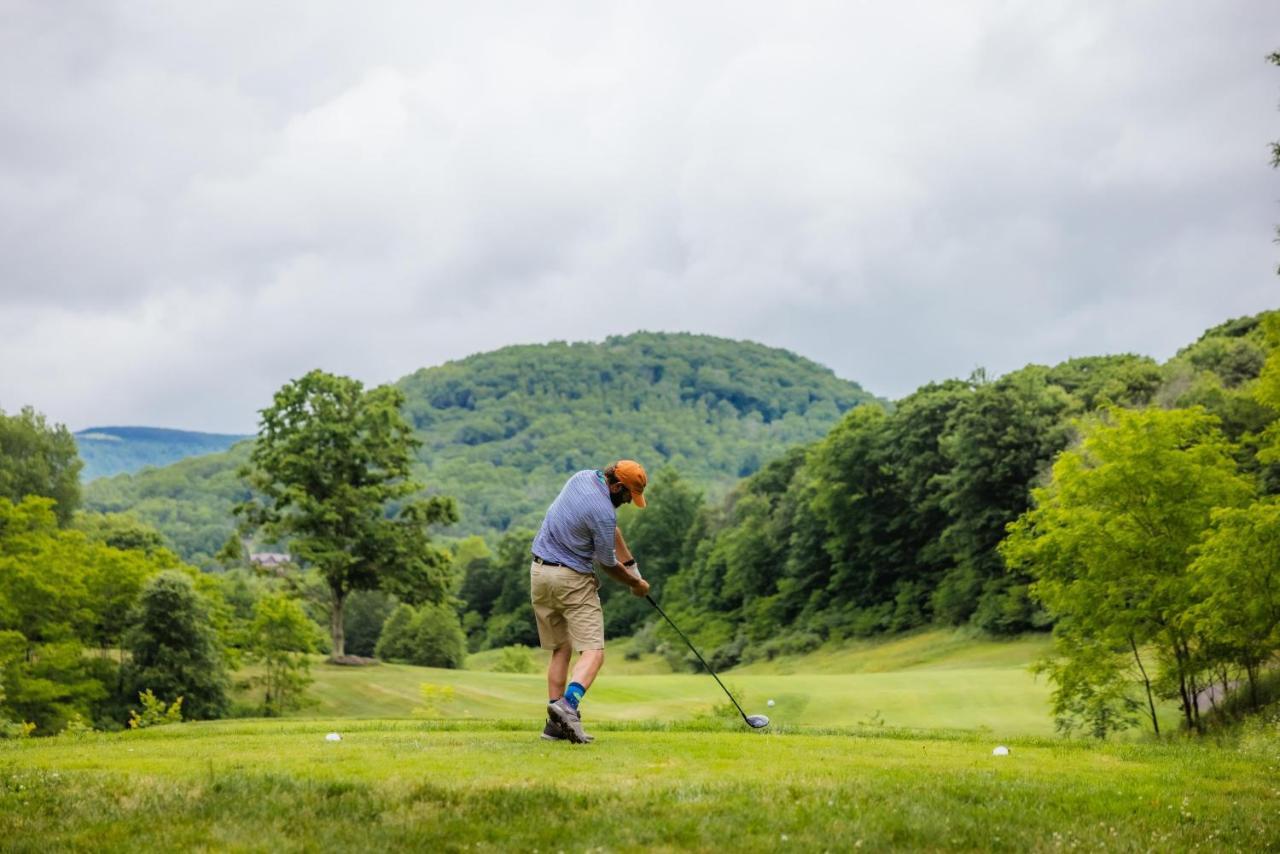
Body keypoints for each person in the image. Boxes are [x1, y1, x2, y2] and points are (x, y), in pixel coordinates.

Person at [530, 460, 651, 743]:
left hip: (540, 574)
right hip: (572, 580)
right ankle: (568, 705)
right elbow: (607, 563)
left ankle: (555, 725)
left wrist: (633, 567)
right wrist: (636, 584)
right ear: (617, 485)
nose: (628, 502)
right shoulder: (603, 513)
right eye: (627, 496)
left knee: (561, 648)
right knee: (594, 651)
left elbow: (612, 533)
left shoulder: (582, 478)